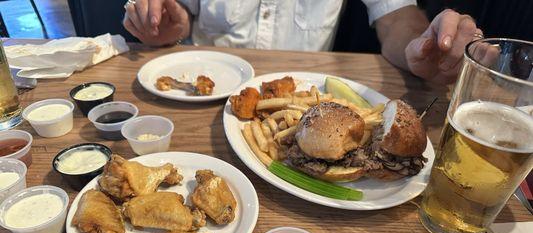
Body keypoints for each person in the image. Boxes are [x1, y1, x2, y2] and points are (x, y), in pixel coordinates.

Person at [123, 0, 483, 84]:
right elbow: (182, 13)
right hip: (203, 87)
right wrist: (169, 24)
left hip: (305, 98)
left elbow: (396, 17)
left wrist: (422, 44)